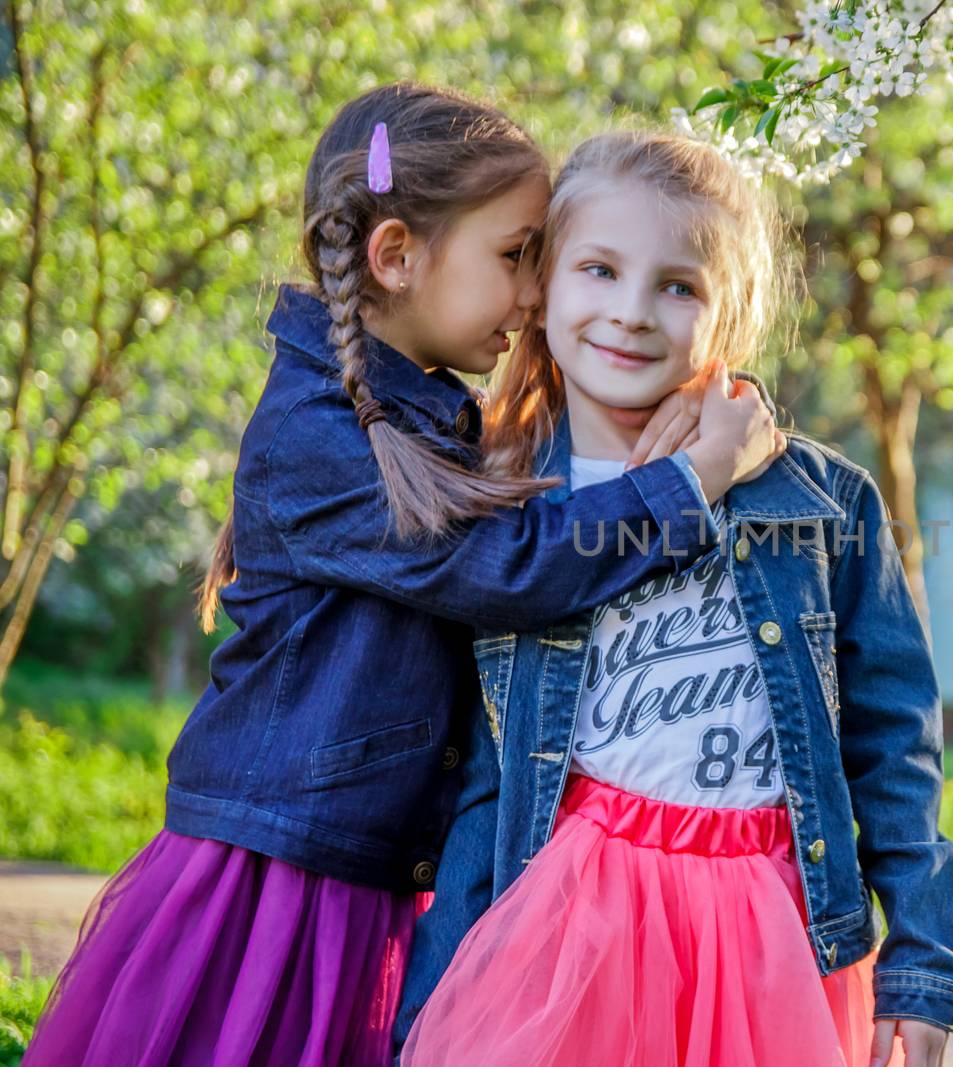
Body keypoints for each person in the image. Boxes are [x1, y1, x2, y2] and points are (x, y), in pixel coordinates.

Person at [23, 85, 781, 1067]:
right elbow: (506, 564)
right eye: (517, 257)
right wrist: (694, 480)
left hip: (364, 866)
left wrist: (723, 392)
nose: (535, 295)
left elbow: (582, 435)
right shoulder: (317, 435)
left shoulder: (429, 409)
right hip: (279, 880)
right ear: (395, 256)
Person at [396, 129, 953, 1067]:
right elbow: (482, 777)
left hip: (769, 940)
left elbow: (895, 746)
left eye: (678, 285)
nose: (631, 313)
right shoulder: (499, 494)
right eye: (599, 269)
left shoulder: (822, 502)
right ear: (541, 283)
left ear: (731, 309)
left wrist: (923, 960)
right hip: (564, 930)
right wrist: (431, 994)